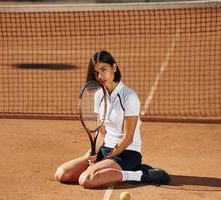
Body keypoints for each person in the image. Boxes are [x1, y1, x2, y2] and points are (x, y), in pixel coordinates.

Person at [54, 50, 170, 188]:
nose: (100, 76)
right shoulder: (98, 96)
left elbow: (128, 138)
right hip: (105, 150)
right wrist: (93, 153)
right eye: (96, 72)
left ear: (114, 68)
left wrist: (107, 158)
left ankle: (140, 174)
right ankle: (102, 168)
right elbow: (101, 132)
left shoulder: (129, 97)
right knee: (61, 174)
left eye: (104, 70)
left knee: (86, 179)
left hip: (127, 153)